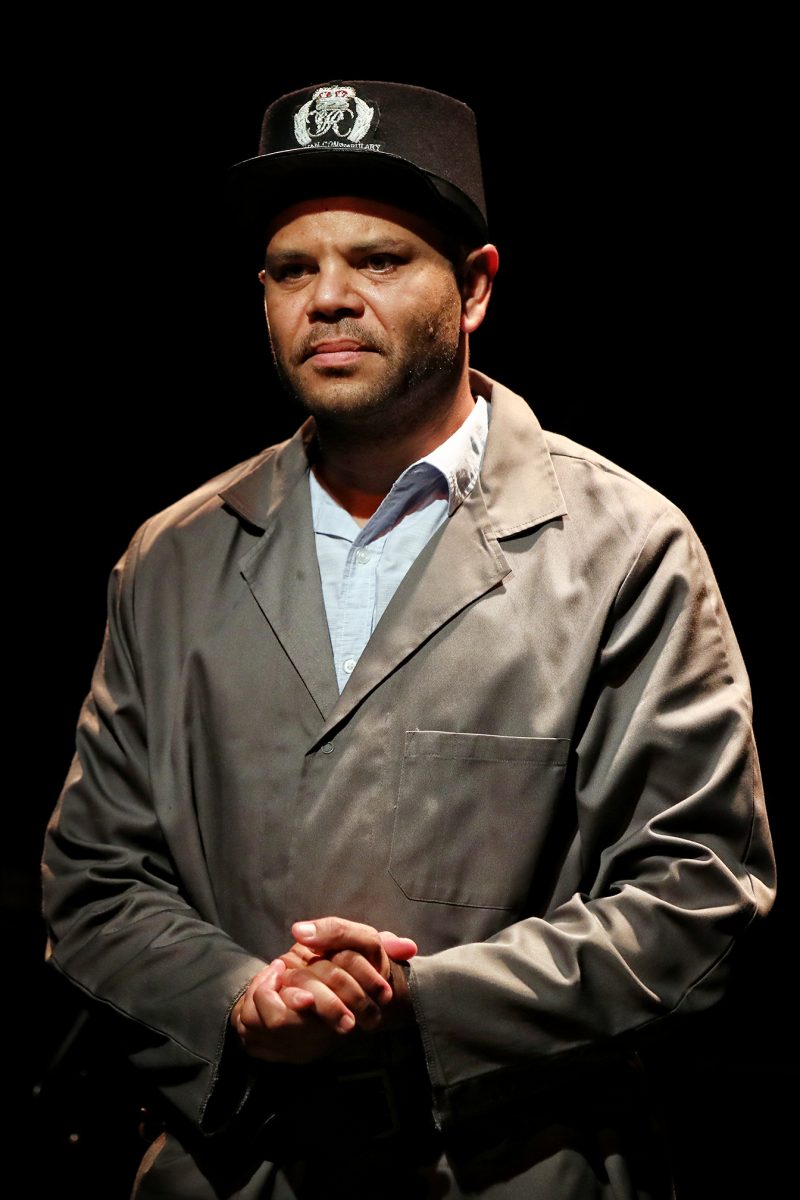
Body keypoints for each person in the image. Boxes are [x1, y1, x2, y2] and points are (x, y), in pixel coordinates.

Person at [42, 80, 775, 1199]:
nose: (329, 298)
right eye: (293, 270)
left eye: (378, 260)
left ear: (474, 288)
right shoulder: (173, 559)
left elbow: (697, 890)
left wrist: (419, 1010)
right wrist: (240, 1000)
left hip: (506, 1165)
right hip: (231, 1165)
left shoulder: (622, 548)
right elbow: (95, 878)